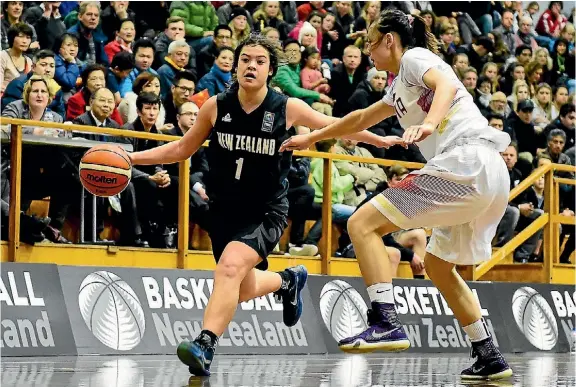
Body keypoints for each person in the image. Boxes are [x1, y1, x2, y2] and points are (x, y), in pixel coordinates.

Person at [127, 34, 390, 377]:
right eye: (245, 59)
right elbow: (180, 150)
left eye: (259, 61)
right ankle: (285, 282)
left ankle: (204, 345)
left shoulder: (286, 108)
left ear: (271, 70)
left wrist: (379, 139)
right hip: (224, 210)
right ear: (235, 66)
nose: (251, 65)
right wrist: (129, 155)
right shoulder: (216, 106)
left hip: (265, 210)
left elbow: (339, 127)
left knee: (230, 269)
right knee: (240, 284)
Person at [281, 10, 513, 381]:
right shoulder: (400, 87)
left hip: (465, 164)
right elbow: (359, 118)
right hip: (488, 175)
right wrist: (311, 137)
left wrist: (428, 123)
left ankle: (385, 320)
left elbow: (447, 86)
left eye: (372, 42)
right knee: (438, 266)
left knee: (361, 223)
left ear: (390, 39)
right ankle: (488, 352)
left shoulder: (414, 58)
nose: (368, 50)